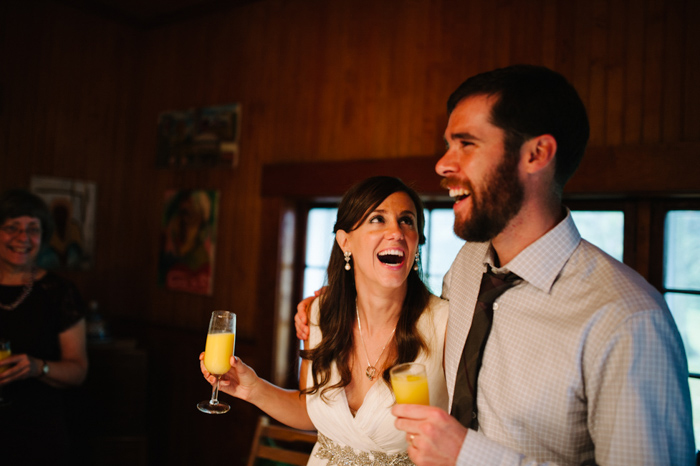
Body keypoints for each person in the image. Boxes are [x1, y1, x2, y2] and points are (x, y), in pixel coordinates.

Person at [297, 65, 695, 465]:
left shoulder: (626, 320)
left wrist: (471, 456)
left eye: (466, 144)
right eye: (448, 144)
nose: (442, 165)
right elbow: (409, 309)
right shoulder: (468, 266)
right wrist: (333, 302)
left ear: (536, 154)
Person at [200, 176, 449, 464]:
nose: (396, 231)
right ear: (346, 242)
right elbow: (308, 411)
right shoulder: (318, 313)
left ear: (417, 242)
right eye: (378, 219)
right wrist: (251, 388)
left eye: (407, 221)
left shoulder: (445, 325)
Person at [0, 188, 89, 466]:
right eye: (12, 227)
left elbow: (78, 371)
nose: (22, 237)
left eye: (33, 229)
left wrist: (39, 367)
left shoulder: (60, 292)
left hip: (37, 433)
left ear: (44, 237)